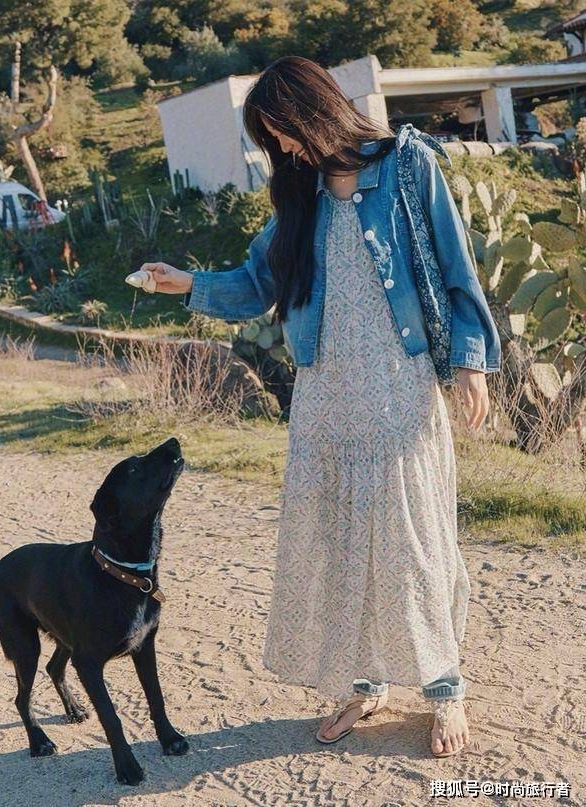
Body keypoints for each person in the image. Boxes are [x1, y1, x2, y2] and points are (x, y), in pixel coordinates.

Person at [137, 55, 502, 758]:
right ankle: (365, 683)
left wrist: (471, 362)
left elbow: (458, 267)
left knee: (414, 542)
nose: (285, 150)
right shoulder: (297, 197)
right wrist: (185, 283)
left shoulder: (407, 166)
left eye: (285, 133)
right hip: (326, 395)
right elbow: (255, 284)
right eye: (273, 140)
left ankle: (443, 684)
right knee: (343, 546)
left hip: (398, 386)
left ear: (315, 111)